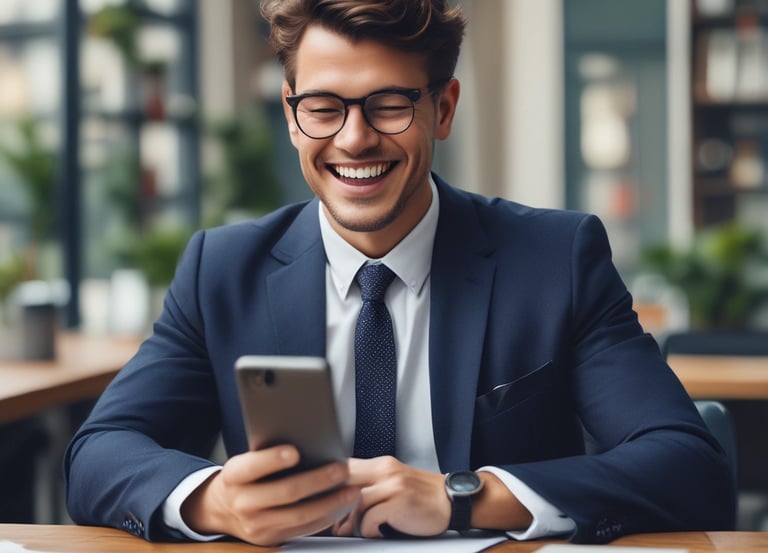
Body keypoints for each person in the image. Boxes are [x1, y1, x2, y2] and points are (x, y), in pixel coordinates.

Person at [64, 0, 736, 546]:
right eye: (324, 107)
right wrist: (217, 500)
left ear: (442, 107)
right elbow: (99, 454)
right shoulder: (223, 269)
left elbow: (687, 464)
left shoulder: (555, 259)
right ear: (292, 114)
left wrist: (461, 496)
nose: (354, 139)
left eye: (388, 104)